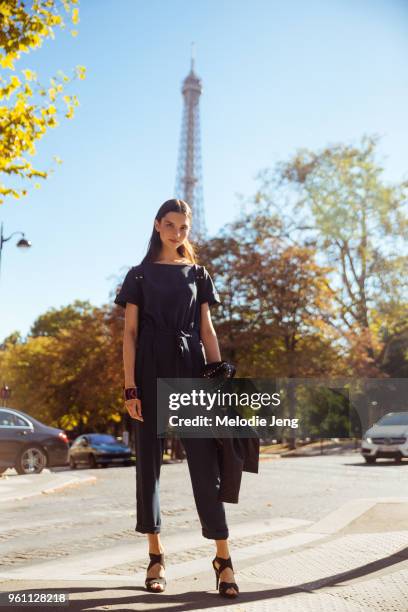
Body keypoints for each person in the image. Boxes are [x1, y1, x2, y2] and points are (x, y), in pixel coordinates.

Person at [114, 199, 239, 598]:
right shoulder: (138, 275)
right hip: (149, 365)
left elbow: (207, 329)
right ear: (157, 226)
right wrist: (130, 387)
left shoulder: (198, 274)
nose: (177, 233)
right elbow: (129, 335)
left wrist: (220, 379)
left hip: (189, 367)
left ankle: (223, 557)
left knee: (206, 466)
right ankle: (155, 554)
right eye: (170, 226)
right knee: (148, 466)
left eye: (184, 227)